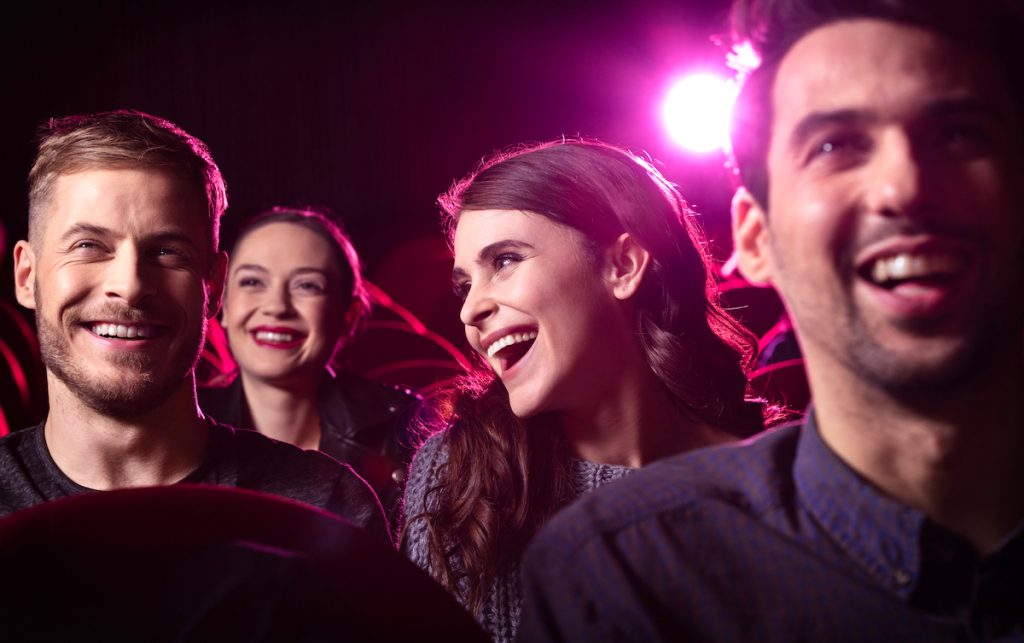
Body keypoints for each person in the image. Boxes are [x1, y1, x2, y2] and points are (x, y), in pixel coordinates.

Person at [519, 1, 1024, 640]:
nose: (904, 186)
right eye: (835, 145)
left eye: (960, 134)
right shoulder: (624, 575)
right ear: (754, 239)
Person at [401, 140, 781, 642]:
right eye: (464, 285)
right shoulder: (460, 477)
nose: (470, 309)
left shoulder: (782, 479)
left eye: (506, 260)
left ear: (622, 266)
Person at [0, 110, 389, 543]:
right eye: (88, 246)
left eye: (167, 252)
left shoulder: (325, 507)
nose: (129, 287)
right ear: (25, 276)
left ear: (215, 285)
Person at [199, 206, 420, 527]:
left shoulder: (407, 430)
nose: (276, 307)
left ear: (349, 315)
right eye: (251, 282)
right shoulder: (176, 426)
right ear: (223, 303)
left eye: (307, 286)